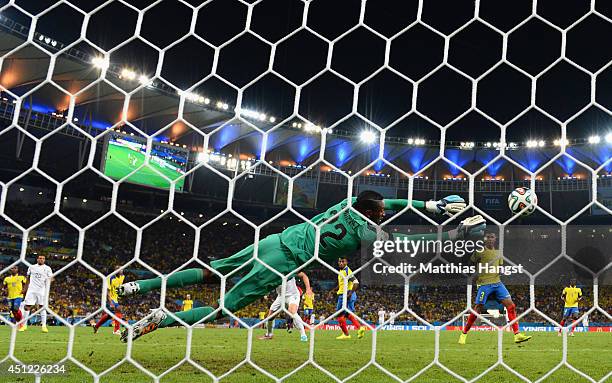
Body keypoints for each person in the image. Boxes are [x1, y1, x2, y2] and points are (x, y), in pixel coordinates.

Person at [118, 191, 477, 342]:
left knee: (213, 270)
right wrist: (451, 235)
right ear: (371, 216)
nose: (384, 214)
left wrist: (431, 204)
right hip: (283, 262)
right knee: (221, 309)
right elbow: (402, 245)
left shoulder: (350, 201)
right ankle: (160, 319)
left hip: (274, 239)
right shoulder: (365, 233)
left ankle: (142, 285)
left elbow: (387, 200)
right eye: (380, 213)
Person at [458, 232, 531, 344]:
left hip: (497, 283)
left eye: (492, 237)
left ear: (495, 239)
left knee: (511, 306)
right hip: (484, 284)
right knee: (478, 309)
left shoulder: (499, 253)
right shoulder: (479, 252)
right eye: (488, 237)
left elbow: (500, 267)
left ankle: (517, 335)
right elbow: (470, 264)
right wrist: (476, 275)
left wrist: (501, 271)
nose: (490, 239)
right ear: (485, 239)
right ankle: (464, 334)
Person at [258, 272, 312, 342]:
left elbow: (303, 275)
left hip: (293, 295)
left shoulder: (289, 269)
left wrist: (308, 289)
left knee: (292, 312)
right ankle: (269, 334)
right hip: (281, 297)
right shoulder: (272, 273)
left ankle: (303, 335)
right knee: (270, 316)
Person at [21, 255, 53, 333]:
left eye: (43, 258)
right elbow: (28, 278)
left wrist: (49, 280)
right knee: (27, 307)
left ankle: (44, 326)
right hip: (31, 290)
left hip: (42, 291)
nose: (41, 259)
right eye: (40, 258)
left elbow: (51, 278)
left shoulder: (47, 268)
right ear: (37, 259)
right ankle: (24, 325)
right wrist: (25, 289)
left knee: (42, 307)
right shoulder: (31, 267)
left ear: (44, 260)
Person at [335, 258, 363, 340]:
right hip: (345, 294)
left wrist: (349, 294)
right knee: (347, 314)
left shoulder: (347, 271)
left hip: (345, 295)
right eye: (339, 261)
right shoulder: (341, 271)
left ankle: (346, 334)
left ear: (346, 262)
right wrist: (334, 290)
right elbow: (342, 284)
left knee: (340, 315)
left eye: (343, 261)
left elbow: (356, 282)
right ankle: (359, 328)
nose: (341, 263)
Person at [91, 267, 124, 335]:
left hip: (115, 298)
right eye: (120, 270)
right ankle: (116, 330)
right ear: (116, 271)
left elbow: (119, 287)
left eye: (122, 269)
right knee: (119, 310)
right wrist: (110, 302)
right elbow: (108, 291)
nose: (122, 271)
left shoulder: (122, 277)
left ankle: (96, 326)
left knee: (109, 316)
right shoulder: (110, 278)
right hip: (109, 299)